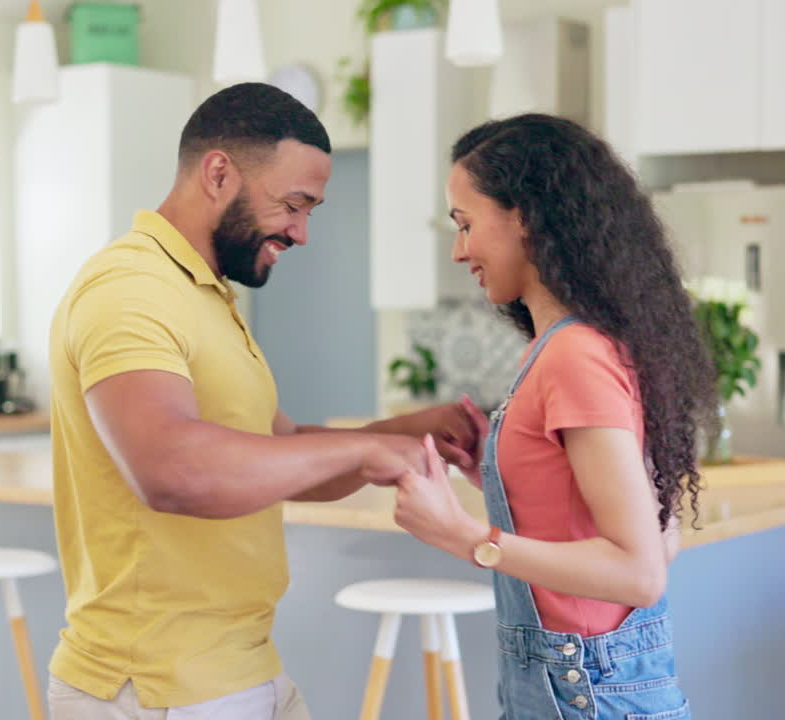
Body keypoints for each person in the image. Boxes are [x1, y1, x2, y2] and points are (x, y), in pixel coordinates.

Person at [45, 82, 481, 719]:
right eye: (293, 204)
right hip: (158, 685)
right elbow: (171, 471)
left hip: (240, 666)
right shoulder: (129, 289)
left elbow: (275, 453)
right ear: (218, 172)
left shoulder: (206, 294)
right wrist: (367, 446)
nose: (302, 233)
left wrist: (408, 434)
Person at [391, 114, 716, 720]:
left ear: (526, 216)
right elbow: (655, 536)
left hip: (584, 690)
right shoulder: (584, 342)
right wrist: (500, 467)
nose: (460, 250)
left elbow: (640, 571)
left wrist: (468, 537)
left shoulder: (573, 355)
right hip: (586, 682)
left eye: (466, 225)